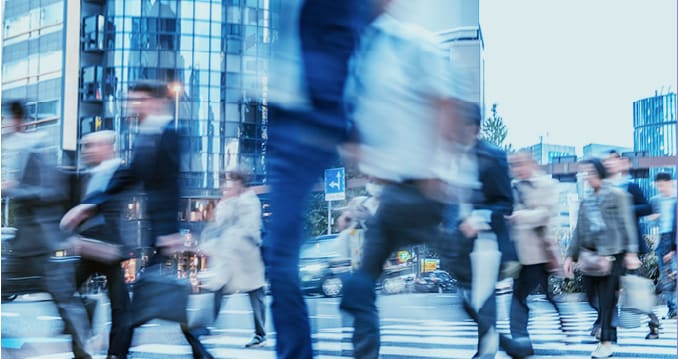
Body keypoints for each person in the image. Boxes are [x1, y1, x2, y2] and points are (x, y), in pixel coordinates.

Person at [337, 2, 477, 357]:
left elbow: (445, 103)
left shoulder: (415, 43)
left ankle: (482, 312)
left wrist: (435, 166)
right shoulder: (367, 55)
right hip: (395, 192)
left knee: (457, 272)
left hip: (427, 187)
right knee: (361, 283)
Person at [60, 81, 208, 359]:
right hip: (154, 231)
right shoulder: (145, 135)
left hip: (161, 232)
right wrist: (89, 206)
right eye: (131, 101)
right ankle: (195, 348)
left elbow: (172, 186)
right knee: (150, 300)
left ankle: (120, 353)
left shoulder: (169, 135)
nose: (133, 106)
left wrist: (172, 231)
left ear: (156, 102)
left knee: (140, 304)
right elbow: (129, 177)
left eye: (138, 100)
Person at [263, 0, 373, 357]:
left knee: (280, 257)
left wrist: (351, 127)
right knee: (277, 258)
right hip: (284, 126)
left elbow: (349, 42)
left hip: (313, 125)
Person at [2, 101, 94, 359]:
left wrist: (12, 188)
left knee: (63, 299)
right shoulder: (17, 151)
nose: (4, 124)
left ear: (19, 120)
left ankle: (83, 349)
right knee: (61, 298)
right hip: (25, 244)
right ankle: (81, 348)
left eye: (5, 119)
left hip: (40, 243)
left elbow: (51, 192)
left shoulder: (37, 150)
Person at [439, 102, 522, 359]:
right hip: (460, 244)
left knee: (483, 301)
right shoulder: (451, 156)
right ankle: (510, 347)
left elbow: (506, 202)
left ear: (473, 128)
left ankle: (487, 353)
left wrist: (479, 218)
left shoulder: (492, 156)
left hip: (486, 242)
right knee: (467, 302)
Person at [564, 158, 641, 358]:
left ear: (599, 173)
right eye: (584, 174)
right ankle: (608, 325)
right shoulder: (586, 201)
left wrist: (631, 252)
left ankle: (605, 342)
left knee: (607, 300)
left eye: (589, 172)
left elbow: (627, 224)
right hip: (589, 257)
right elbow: (578, 231)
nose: (586, 177)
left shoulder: (618, 195)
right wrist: (569, 257)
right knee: (591, 296)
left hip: (612, 254)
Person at [67, 131, 132, 358]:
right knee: (66, 295)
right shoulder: (84, 175)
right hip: (87, 246)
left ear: (107, 147)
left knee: (120, 306)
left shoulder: (119, 171)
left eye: (92, 146)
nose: (86, 151)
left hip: (108, 248)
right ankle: (81, 346)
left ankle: (116, 353)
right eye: (85, 146)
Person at [198, 170, 267, 349]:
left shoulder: (250, 201)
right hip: (230, 258)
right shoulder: (229, 202)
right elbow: (218, 226)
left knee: (255, 294)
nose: (229, 186)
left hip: (248, 256)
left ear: (241, 183)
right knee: (219, 289)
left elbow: (248, 228)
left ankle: (260, 334)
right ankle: (206, 326)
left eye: (232, 182)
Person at [506, 150, 562, 354]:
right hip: (520, 253)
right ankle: (521, 340)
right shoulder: (512, 187)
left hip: (541, 252)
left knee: (545, 295)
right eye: (513, 165)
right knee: (519, 297)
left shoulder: (547, 184)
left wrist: (520, 216)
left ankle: (563, 319)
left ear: (531, 163)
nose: (517, 169)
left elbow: (546, 214)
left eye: (520, 163)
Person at [603, 151, 660, 339]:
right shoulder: (603, 188)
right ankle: (605, 328)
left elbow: (647, 207)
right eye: (606, 161)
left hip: (629, 247)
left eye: (612, 161)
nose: (609, 164)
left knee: (634, 288)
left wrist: (627, 207)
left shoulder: (630, 186)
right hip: (609, 247)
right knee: (609, 288)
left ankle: (653, 320)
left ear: (621, 164)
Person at [649, 172, 677, 320]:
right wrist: (653, 219)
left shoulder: (676, 199)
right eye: (658, 186)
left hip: (675, 239)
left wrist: (673, 248)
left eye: (662, 185)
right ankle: (672, 309)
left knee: (675, 275)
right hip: (663, 240)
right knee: (666, 279)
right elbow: (652, 221)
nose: (660, 188)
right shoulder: (656, 201)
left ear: (670, 182)